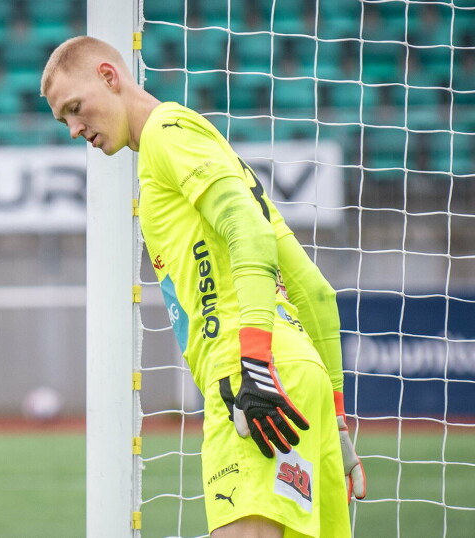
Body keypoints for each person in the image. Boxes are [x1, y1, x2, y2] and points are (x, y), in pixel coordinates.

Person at [41, 36, 367, 537]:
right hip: (299, 377)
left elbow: (250, 232)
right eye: (64, 120)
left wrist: (254, 362)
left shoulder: (167, 134)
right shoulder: (198, 147)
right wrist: (337, 421)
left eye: (76, 108)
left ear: (110, 76)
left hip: (251, 375)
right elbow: (315, 291)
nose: (75, 129)